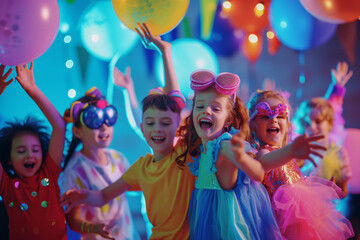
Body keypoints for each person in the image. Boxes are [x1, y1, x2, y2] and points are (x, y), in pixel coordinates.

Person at [60, 23, 196, 239]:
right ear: (142, 128)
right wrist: (83, 195)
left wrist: (165, 51)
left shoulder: (183, 154)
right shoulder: (141, 167)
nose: (157, 129)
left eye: (166, 123)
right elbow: (104, 196)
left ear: (178, 124)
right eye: (150, 123)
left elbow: (174, 100)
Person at [178, 69, 282, 239]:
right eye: (200, 106)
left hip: (230, 224)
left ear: (227, 121)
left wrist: (240, 157)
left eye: (216, 108)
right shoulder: (203, 150)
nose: (207, 111)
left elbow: (258, 174)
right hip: (209, 221)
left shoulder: (225, 145)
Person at [248, 90, 354, 239]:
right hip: (280, 225)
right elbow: (263, 165)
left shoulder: (287, 156)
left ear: (287, 124)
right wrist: (291, 151)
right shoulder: (264, 154)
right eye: (265, 116)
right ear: (252, 126)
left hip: (301, 222)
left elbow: (297, 182)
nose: (273, 120)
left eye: (280, 116)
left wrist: (319, 186)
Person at [0, 62, 67, 239]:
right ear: (8, 158)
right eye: (21, 151)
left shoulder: (50, 172)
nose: (30, 154)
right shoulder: (6, 185)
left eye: (35, 149)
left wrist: (33, 90)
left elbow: (59, 126)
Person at [293, 97, 352, 195]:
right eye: (306, 123)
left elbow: (343, 192)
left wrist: (343, 184)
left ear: (329, 123)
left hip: (328, 206)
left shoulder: (339, 153)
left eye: (318, 121)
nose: (312, 127)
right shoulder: (299, 152)